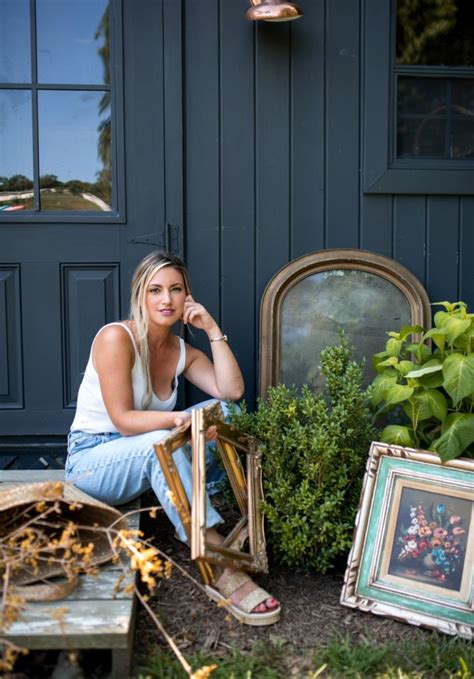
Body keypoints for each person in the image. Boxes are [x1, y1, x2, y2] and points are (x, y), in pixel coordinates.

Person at [65, 251, 280, 626]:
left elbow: (231, 391)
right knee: (160, 442)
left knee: (226, 414)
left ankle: (194, 496)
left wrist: (212, 329)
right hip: (92, 462)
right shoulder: (116, 338)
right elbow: (124, 420)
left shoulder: (181, 350)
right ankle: (216, 561)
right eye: (155, 290)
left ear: (187, 297)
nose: (166, 300)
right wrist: (179, 419)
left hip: (144, 454)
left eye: (176, 290)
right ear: (141, 297)